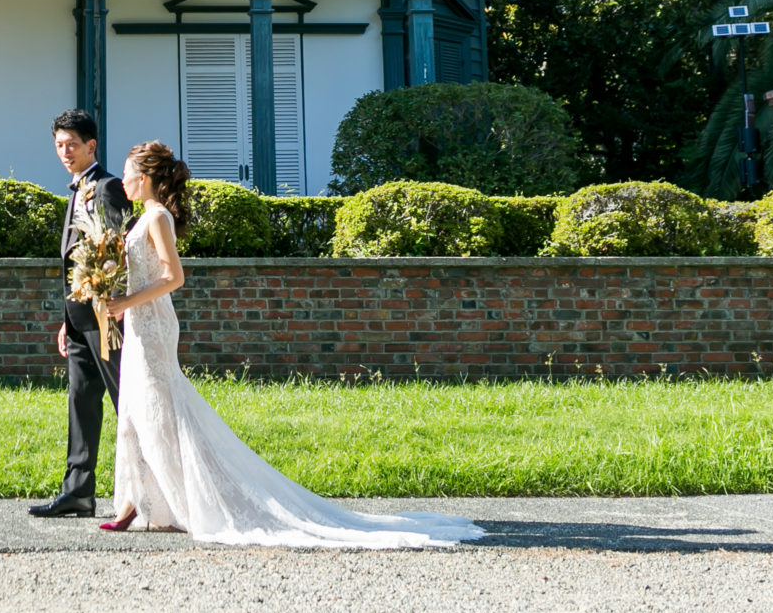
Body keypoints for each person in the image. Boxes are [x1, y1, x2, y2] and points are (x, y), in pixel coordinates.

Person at [100, 140, 485, 548]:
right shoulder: (141, 219)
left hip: (155, 327)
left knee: (159, 411)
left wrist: (125, 301)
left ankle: (169, 501)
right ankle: (137, 501)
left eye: (126, 173)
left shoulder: (157, 217)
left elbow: (174, 277)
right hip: (139, 323)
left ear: (143, 177)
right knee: (137, 408)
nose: (121, 180)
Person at [27, 109, 133, 519]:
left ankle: (150, 488)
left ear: (92, 145)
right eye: (59, 145)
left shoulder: (106, 188)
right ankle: (78, 492)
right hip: (78, 319)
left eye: (72, 144)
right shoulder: (75, 189)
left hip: (106, 318)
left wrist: (111, 308)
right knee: (81, 403)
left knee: (129, 402)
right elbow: (79, 261)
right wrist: (67, 318)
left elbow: (115, 255)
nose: (64, 152)